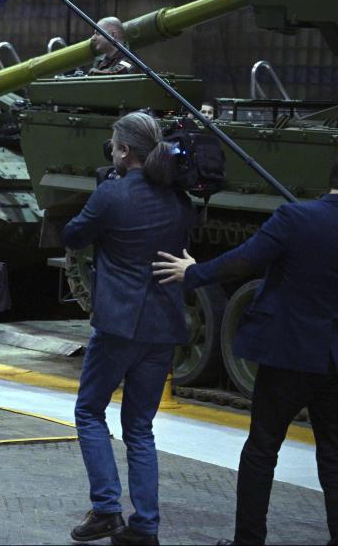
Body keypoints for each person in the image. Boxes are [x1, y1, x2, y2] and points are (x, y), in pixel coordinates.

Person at [153, 162, 338, 546]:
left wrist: (194, 272)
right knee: (334, 456)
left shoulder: (295, 217)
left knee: (262, 448)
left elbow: (245, 259)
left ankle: (249, 540)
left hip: (288, 354)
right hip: (334, 360)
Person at [62, 112, 196, 546]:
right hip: (162, 327)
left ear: (123, 151)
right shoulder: (178, 199)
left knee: (89, 411)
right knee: (140, 426)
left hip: (118, 324)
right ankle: (146, 526)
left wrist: (100, 197)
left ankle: (105, 510)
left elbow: (73, 235)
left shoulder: (111, 196)